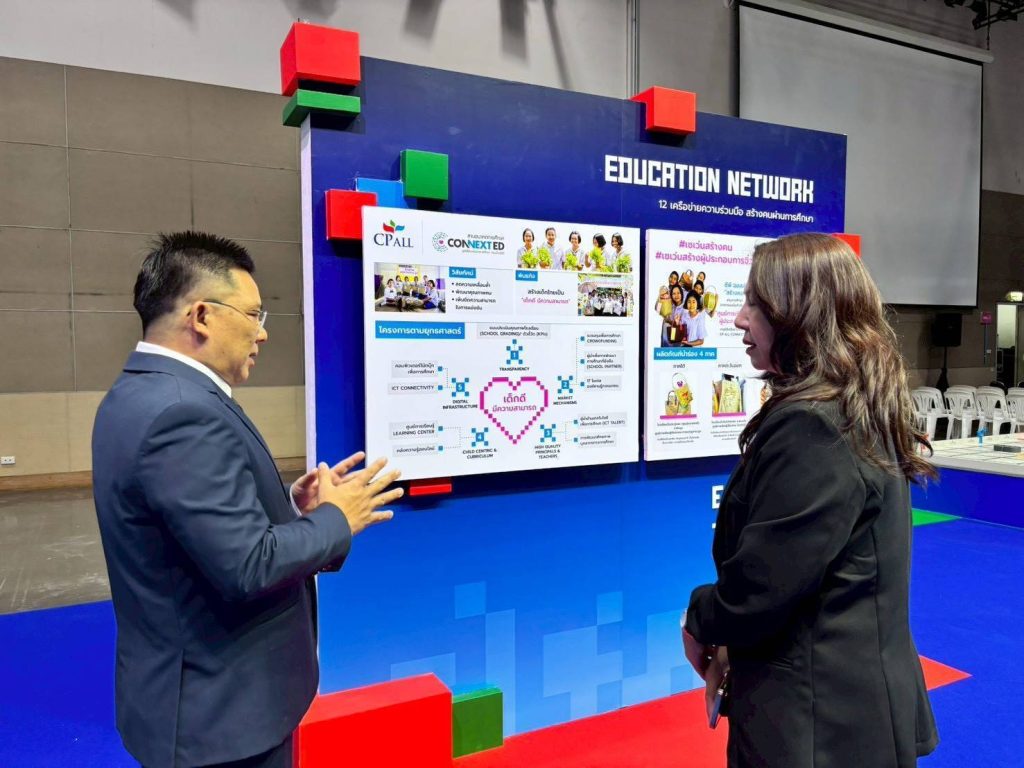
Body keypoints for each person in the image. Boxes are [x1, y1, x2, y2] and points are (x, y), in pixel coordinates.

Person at [92, 231, 404, 768]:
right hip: (220, 718)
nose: (262, 333)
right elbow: (246, 566)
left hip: (194, 703)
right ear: (201, 316)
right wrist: (337, 518)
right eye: (254, 315)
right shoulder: (183, 412)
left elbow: (189, 531)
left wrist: (290, 508)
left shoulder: (138, 393)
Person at [682, 233, 938, 767]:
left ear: (799, 314)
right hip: (846, 709)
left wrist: (700, 619)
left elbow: (761, 587)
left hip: (819, 724)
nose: (738, 319)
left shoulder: (815, 426)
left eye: (755, 304)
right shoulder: (854, 406)